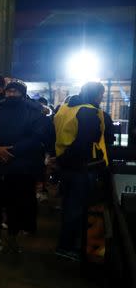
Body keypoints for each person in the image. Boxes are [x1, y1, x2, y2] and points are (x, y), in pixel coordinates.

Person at [0, 79, 54, 253]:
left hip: (21, 166)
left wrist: (10, 151)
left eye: (15, 92)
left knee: (16, 204)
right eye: (9, 91)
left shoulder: (35, 111)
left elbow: (38, 137)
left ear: (23, 93)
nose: (11, 94)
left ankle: (12, 238)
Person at [53, 81, 114, 260]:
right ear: (97, 95)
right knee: (77, 209)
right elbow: (86, 142)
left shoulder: (65, 108)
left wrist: (60, 159)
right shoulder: (90, 112)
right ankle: (67, 247)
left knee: (68, 207)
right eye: (101, 94)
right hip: (83, 167)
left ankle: (65, 243)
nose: (102, 98)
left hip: (65, 165)